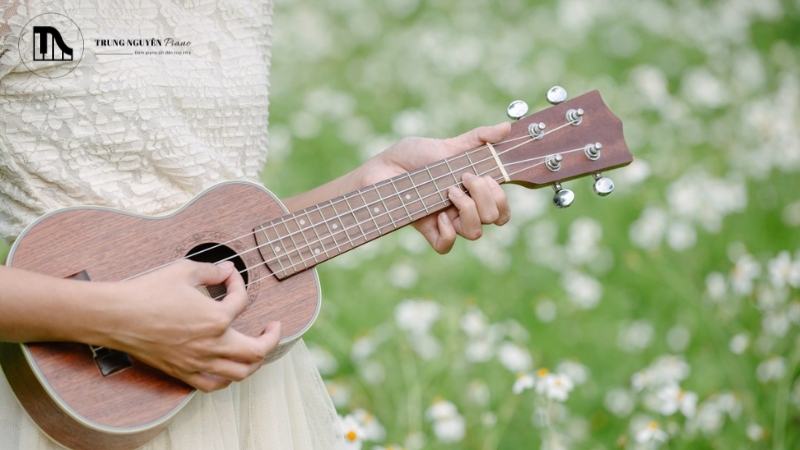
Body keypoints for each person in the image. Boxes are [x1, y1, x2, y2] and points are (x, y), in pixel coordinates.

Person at [0, 1, 510, 449]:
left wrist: (371, 182)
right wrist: (120, 318)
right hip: (70, 382)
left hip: (246, 393)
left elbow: (223, 227)